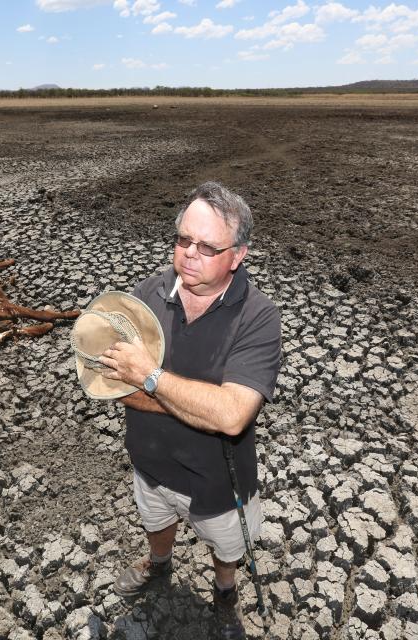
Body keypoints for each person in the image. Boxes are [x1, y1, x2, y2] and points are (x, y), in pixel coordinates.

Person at [96, 181, 282, 640]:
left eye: (206, 246)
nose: (189, 253)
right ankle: (159, 565)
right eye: (183, 240)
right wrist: (195, 403)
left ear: (238, 255)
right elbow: (109, 385)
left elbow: (231, 417)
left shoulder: (259, 318)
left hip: (219, 479)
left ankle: (225, 592)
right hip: (150, 462)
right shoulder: (146, 295)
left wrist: (151, 377)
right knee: (156, 523)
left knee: (226, 546)